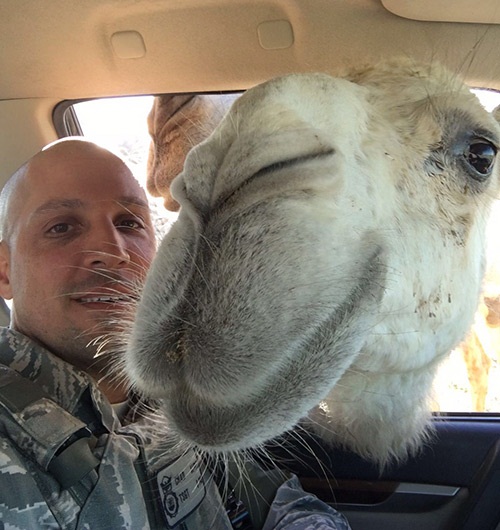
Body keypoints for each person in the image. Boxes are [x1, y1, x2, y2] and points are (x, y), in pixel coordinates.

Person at [0, 138, 351, 529]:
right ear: (4, 270)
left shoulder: (178, 390)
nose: (113, 250)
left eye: (129, 223)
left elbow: (277, 502)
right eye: (61, 227)